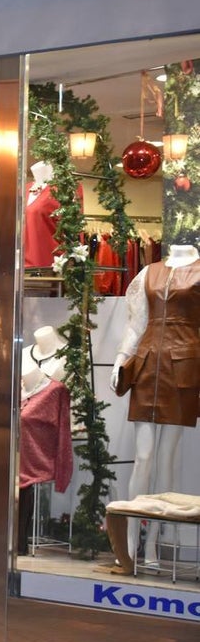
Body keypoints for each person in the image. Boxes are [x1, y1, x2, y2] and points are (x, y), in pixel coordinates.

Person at [108, 244, 200, 572]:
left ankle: (154, 546)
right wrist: (121, 358)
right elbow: (136, 324)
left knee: (167, 458)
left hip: (184, 368)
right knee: (144, 457)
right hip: (147, 366)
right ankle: (131, 544)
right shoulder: (148, 273)